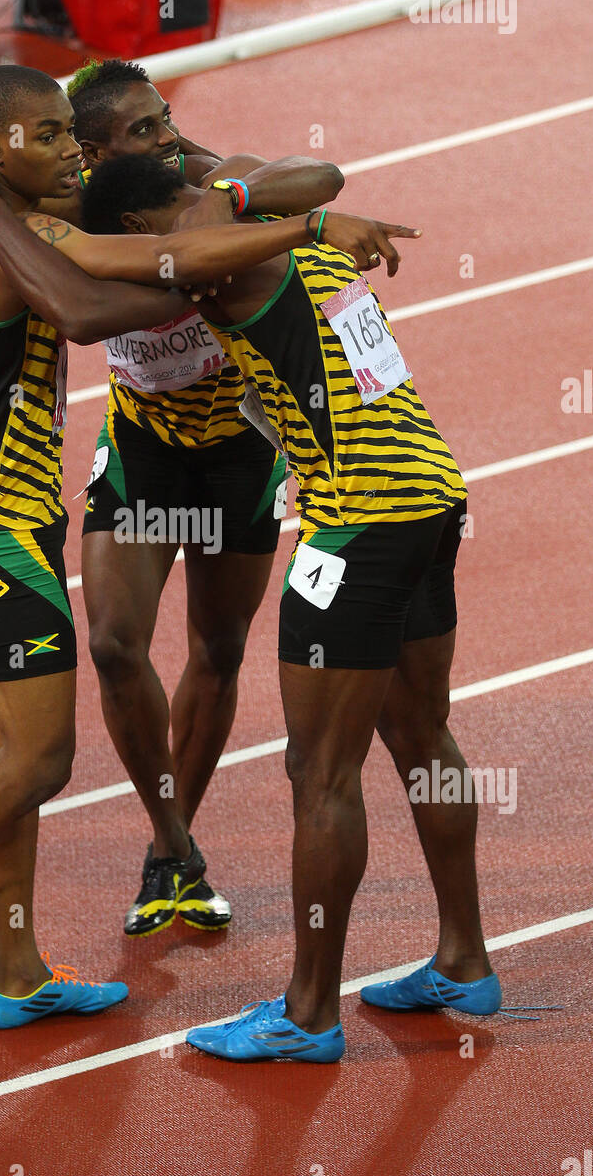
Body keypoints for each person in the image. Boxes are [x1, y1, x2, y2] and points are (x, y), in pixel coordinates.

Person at [0, 64, 332, 1048]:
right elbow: (80, 310)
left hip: (21, 512)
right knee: (40, 755)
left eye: (72, 134)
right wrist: (222, 256)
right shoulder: (5, 235)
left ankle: (19, 971)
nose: (70, 151)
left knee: (13, 754)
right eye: (50, 136)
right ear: (4, 151)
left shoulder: (8, 207)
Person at [79, 153, 499, 1064]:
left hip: (357, 525)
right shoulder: (269, 218)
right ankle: (463, 958)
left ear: (147, 229)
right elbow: (316, 177)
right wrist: (252, 197)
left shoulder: (213, 253)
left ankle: (308, 1013)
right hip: (431, 495)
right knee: (424, 737)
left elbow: (97, 286)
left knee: (319, 773)